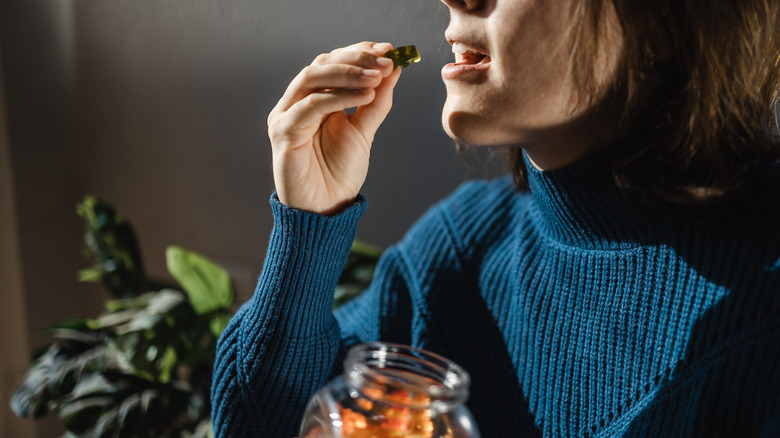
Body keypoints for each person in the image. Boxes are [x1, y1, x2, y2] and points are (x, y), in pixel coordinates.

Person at [211, 0, 780, 436]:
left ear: (660, 22)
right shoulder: (459, 250)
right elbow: (260, 425)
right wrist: (309, 226)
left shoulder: (760, 310)